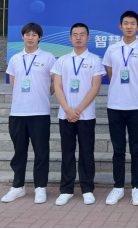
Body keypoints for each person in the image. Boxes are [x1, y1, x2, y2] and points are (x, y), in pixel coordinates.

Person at [103, 11, 138, 206]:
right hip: (115, 105)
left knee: (136, 149)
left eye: (133, 23)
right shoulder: (112, 49)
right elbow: (110, 74)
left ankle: (136, 188)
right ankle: (118, 187)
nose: (129, 26)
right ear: (120, 27)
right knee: (118, 149)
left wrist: (135, 88)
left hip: (136, 106)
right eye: (126, 23)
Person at [51, 23, 106, 206]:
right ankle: (66, 190)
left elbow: (95, 87)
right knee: (67, 152)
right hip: (65, 115)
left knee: (86, 152)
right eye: (75, 35)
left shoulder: (95, 60)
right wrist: (68, 110)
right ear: (70, 38)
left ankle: (87, 189)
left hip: (86, 116)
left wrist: (79, 110)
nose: (78, 38)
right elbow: (57, 86)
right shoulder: (62, 61)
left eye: (82, 35)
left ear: (88, 38)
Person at [1, 23, 56, 204]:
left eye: (34, 34)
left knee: (41, 151)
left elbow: (55, 83)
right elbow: (13, 83)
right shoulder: (15, 59)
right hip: (18, 112)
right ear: (22, 36)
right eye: (27, 34)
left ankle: (40, 187)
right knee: (19, 152)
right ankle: (18, 186)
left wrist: (42, 94)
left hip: (40, 112)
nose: (30, 37)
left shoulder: (48, 58)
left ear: (40, 37)